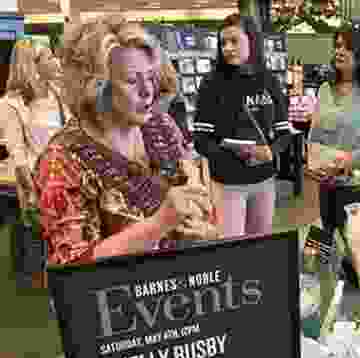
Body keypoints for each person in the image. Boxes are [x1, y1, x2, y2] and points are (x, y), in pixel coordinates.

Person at [34, 14, 216, 267]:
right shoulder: (62, 160)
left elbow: (198, 207)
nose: (148, 91)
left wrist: (205, 228)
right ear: (93, 87)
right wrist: (158, 224)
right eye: (132, 81)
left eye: (151, 76)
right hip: (120, 301)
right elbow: (73, 268)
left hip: (181, 289)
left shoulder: (161, 126)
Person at [307, 27, 360, 281]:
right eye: (336, 46)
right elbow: (315, 135)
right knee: (325, 250)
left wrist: (346, 161)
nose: (339, 51)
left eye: (346, 46)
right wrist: (311, 161)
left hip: (358, 186)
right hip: (326, 184)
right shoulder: (325, 88)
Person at [193, 14, 291, 239]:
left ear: (252, 41)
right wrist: (235, 155)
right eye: (223, 43)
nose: (227, 48)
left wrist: (270, 151)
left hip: (264, 182)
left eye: (234, 41)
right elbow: (200, 140)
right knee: (232, 253)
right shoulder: (211, 84)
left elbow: (284, 133)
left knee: (259, 246)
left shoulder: (269, 81)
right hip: (228, 185)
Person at [0, 38, 68, 287]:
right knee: (31, 228)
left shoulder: (60, 95)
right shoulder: (10, 104)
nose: (55, 61)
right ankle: (30, 274)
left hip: (61, 173)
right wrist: (30, 189)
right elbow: (17, 153)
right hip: (34, 177)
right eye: (49, 57)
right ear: (33, 65)